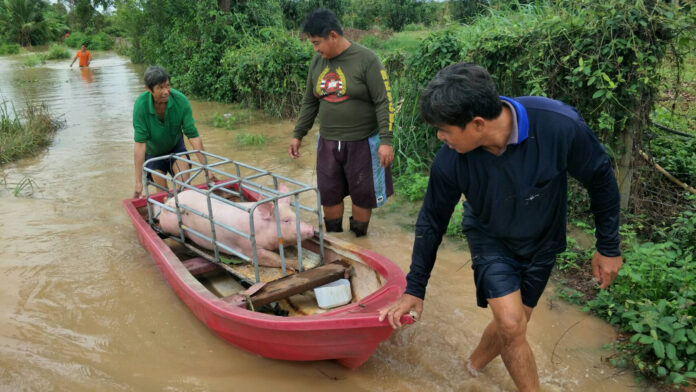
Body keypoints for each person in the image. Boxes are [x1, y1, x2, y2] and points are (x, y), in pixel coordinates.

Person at [378, 63, 623, 391]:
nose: (440, 137)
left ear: (477, 124)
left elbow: (601, 177)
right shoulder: (450, 161)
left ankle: (472, 366)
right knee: (510, 324)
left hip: (543, 241)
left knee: (516, 323)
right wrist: (415, 288)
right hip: (490, 237)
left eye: (445, 129)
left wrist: (608, 246)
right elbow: (432, 220)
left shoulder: (557, 126)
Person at [288, 8, 394, 237]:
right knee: (329, 193)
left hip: (362, 142)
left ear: (333, 35)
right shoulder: (318, 62)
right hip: (327, 142)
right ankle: (334, 240)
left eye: (317, 43)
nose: (315, 49)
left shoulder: (367, 60)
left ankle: (359, 239)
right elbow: (309, 102)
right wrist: (298, 134)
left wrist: (386, 140)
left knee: (363, 195)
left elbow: (384, 102)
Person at [132, 66, 215, 198]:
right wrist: (138, 183)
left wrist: (207, 168)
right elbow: (140, 145)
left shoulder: (180, 101)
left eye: (168, 86)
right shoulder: (141, 106)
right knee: (162, 195)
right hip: (154, 154)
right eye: (160, 88)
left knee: (183, 189)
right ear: (149, 89)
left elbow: (193, 136)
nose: (166, 91)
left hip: (176, 149)